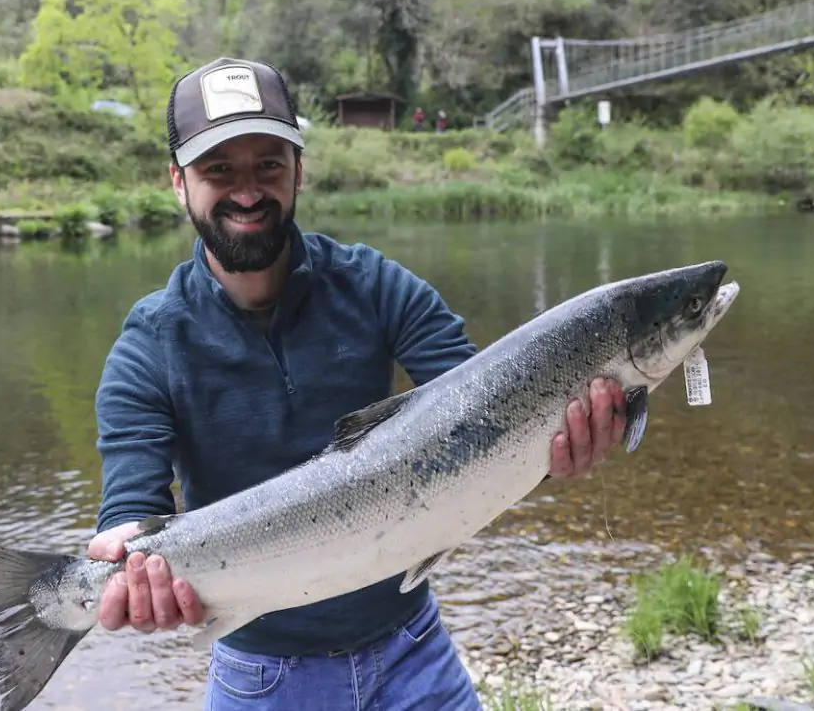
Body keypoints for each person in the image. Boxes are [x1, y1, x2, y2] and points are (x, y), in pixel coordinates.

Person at [87, 56, 629, 710]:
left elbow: (489, 416)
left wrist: (553, 448)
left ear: (299, 171)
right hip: (261, 679)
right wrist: (122, 566)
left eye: (268, 165)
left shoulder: (377, 287)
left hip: (412, 649)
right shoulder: (147, 347)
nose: (248, 191)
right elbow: (130, 508)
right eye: (218, 170)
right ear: (178, 182)